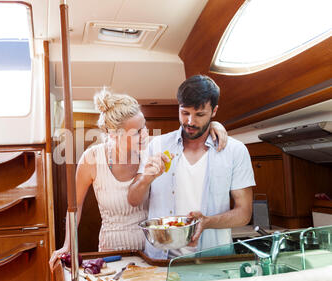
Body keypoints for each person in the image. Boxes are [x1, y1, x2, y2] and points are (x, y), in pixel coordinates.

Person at [49, 88, 228, 270]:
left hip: (151, 252)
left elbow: (184, 137)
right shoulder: (92, 159)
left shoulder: (151, 147)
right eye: (136, 132)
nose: (144, 134)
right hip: (111, 252)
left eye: (144, 126)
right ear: (114, 135)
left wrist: (214, 126)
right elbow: (75, 206)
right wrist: (67, 245)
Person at [128, 75, 255, 259]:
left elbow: (244, 213)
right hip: (161, 260)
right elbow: (133, 200)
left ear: (214, 111)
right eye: (185, 112)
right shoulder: (157, 146)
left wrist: (207, 222)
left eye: (200, 115)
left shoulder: (235, 151)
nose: (190, 121)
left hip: (213, 260)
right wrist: (146, 178)